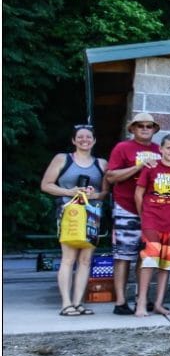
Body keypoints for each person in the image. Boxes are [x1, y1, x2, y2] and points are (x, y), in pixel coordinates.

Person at [40, 123, 109, 316]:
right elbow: (46, 185)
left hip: (91, 215)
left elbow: (106, 192)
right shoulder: (62, 159)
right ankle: (66, 303)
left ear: (94, 141)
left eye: (88, 137)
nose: (84, 140)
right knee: (69, 258)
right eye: (80, 137)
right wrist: (70, 192)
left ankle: (78, 302)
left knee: (86, 260)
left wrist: (94, 194)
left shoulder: (102, 164)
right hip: (69, 213)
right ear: (73, 140)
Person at [105, 112, 162, 315]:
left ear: (154, 129)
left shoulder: (159, 150)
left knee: (146, 256)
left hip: (152, 211)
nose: (145, 129)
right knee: (123, 256)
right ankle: (120, 301)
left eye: (149, 126)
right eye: (140, 126)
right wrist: (137, 166)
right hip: (126, 207)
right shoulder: (123, 148)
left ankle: (142, 298)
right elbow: (111, 176)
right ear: (133, 129)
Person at [134, 134, 170, 317]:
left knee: (166, 264)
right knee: (149, 260)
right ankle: (141, 302)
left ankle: (159, 303)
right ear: (161, 149)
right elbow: (139, 193)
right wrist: (143, 216)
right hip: (152, 220)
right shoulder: (151, 167)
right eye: (168, 148)